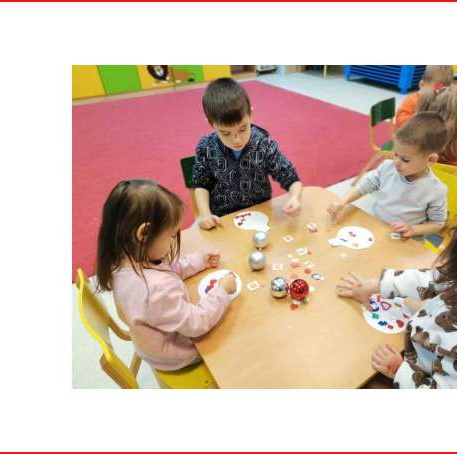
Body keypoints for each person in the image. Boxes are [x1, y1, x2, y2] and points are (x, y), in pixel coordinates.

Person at [336, 193, 457, 389]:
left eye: (455, 270)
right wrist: (376, 286)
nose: (447, 273)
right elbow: (430, 280)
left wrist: (399, 371)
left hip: (416, 373)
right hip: (419, 337)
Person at [95, 179, 236, 371]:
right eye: (171, 236)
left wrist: (199, 261)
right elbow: (197, 323)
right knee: (239, 334)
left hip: (152, 342)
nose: (172, 242)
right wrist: (222, 291)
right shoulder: (156, 289)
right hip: (178, 355)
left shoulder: (122, 259)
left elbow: (166, 269)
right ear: (144, 233)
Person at [192, 78, 303, 230]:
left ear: (251, 115)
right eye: (225, 133)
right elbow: (201, 184)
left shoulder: (263, 144)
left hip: (260, 214)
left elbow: (291, 178)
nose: (236, 140)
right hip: (223, 219)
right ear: (211, 124)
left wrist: (295, 198)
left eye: (243, 129)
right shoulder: (206, 147)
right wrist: (205, 214)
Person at [328, 112, 448, 239]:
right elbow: (364, 187)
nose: (396, 162)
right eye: (395, 154)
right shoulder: (388, 167)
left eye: (405, 160)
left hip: (405, 239)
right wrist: (343, 202)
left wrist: (413, 229)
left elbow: (437, 224)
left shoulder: (436, 190)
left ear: (430, 160)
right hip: (377, 226)